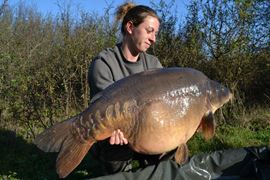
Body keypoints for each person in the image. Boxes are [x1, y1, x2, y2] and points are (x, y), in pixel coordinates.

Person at [87, 2, 164, 175]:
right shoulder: (104, 63)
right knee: (116, 150)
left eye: (156, 33)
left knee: (170, 147)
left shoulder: (153, 64)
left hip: (147, 131)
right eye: (149, 31)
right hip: (113, 136)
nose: (154, 39)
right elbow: (104, 111)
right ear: (130, 27)